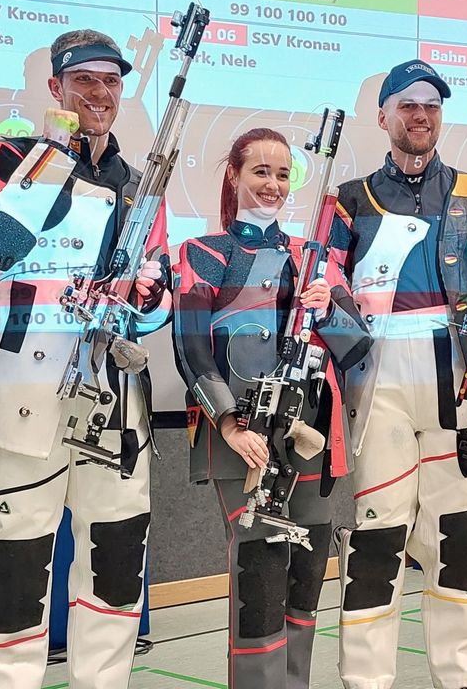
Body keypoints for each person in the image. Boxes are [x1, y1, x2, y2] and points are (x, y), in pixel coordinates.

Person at [0, 30, 169, 689]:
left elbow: (154, 303)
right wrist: (56, 158)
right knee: (19, 569)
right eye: (84, 82)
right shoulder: (14, 155)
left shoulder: (139, 183)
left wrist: (142, 295)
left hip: (113, 397)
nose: (100, 95)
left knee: (117, 562)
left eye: (111, 82)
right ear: (56, 89)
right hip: (26, 390)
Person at [329, 60, 467, 689]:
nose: (420, 114)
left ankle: (457, 679)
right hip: (374, 378)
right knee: (375, 538)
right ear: (383, 115)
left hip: (458, 376)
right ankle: (365, 680)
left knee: (461, 537)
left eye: (431, 104)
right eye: (407, 103)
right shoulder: (347, 198)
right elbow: (325, 289)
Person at [172, 128, 372, 688]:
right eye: (260, 171)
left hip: (309, 436)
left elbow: (355, 345)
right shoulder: (204, 253)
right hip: (242, 439)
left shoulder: (315, 258)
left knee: (306, 574)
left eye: (283, 175)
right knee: (259, 576)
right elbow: (189, 348)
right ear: (233, 175)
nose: (273, 185)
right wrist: (230, 423)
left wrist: (328, 304)